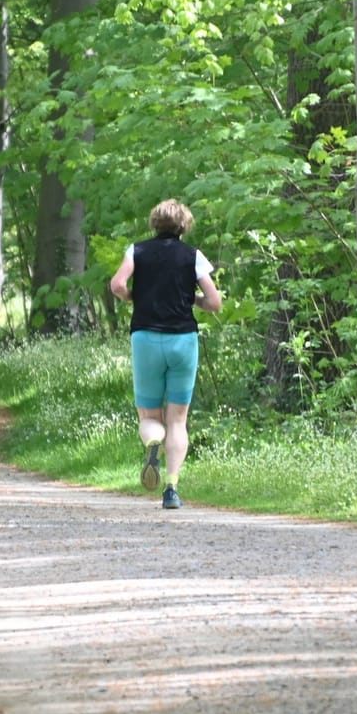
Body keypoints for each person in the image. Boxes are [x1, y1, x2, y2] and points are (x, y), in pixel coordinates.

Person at [107, 199, 222, 509]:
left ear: (154, 223)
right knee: (178, 420)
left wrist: (132, 296)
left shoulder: (137, 251)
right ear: (184, 226)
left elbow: (116, 283)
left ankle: (152, 441)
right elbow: (214, 302)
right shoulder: (192, 256)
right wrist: (194, 301)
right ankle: (171, 489)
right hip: (183, 340)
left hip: (145, 338)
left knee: (149, 417)